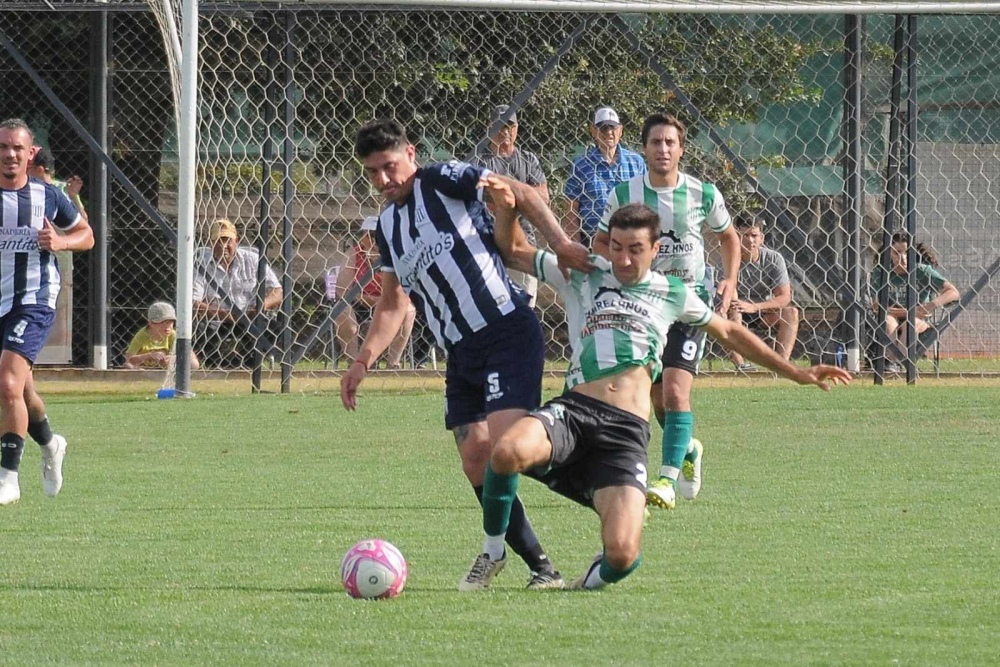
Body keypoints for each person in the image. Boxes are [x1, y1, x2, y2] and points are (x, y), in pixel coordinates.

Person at [462, 200, 850, 590]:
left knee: (622, 556)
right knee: (506, 451)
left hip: (625, 433)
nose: (624, 260)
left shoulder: (671, 291)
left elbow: (730, 333)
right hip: (575, 412)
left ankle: (589, 570)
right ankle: (494, 550)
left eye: (635, 250)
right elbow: (513, 249)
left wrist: (797, 372)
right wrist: (510, 210)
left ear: (655, 250)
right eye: (616, 248)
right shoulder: (583, 272)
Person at [340, 118, 591, 590]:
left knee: (507, 450)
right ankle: (542, 568)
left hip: (504, 331)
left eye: (389, 167)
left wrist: (560, 244)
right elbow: (394, 303)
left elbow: (523, 193)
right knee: (477, 459)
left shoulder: (444, 179)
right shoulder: (388, 226)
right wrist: (362, 361)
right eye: (372, 172)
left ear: (411, 154)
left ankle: (607, 492)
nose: (383, 180)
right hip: (461, 353)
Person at [593, 112, 740, 510]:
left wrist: (729, 280)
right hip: (643, 308)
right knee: (656, 400)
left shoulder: (702, 193)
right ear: (643, 148)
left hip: (689, 302)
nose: (663, 149)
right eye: (656, 142)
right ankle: (687, 447)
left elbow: (729, 237)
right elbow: (601, 240)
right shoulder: (625, 194)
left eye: (670, 143)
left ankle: (666, 480)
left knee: (676, 391)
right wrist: (621, 269)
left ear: (681, 149)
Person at [0, 118, 94, 506]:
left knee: (6, 384)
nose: (10, 155)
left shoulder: (47, 196)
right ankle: (51, 443)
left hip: (33, 299)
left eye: (17, 148)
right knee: (22, 389)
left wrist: (60, 240)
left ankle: (7, 477)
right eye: (4, 147)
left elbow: (86, 235)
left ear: (30, 152)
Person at [470, 105, 550, 307]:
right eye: (500, 125)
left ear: (517, 128)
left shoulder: (528, 160)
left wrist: (504, 196)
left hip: (523, 241)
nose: (505, 131)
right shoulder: (478, 160)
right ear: (490, 127)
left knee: (524, 308)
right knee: (490, 308)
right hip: (485, 243)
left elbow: (543, 197)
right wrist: (524, 196)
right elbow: (481, 200)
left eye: (509, 125)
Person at [193, 218, 283, 368]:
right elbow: (193, 302)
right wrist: (224, 314)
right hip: (216, 320)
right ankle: (215, 366)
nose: (224, 246)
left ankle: (250, 364)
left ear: (236, 241)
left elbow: (278, 291)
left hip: (250, 317)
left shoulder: (253, 259)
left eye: (228, 241)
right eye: (218, 241)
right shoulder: (199, 263)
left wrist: (261, 307)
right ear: (210, 243)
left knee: (276, 328)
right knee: (197, 330)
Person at [332, 216, 416, 369]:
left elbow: (405, 289)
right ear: (363, 236)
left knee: (409, 311)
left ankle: (393, 364)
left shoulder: (396, 255)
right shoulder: (353, 254)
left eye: (378, 235)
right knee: (342, 310)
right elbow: (342, 290)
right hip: (359, 303)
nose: (374, 239)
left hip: (390, 302)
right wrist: (365, 299)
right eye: (370, 235)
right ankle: (354, 362)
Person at [870, 231, 959, 372]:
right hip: (892, 316)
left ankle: (904, 365)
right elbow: (876, 306)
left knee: (909, 325)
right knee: (888, 322)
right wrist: (910, 311)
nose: (903, 258)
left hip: (919, 320)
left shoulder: (922, 271)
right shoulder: (881, 272)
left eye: (907, 253)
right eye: (897, 253)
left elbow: (953, 292)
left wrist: (931, 305)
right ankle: (891, 364)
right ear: (888, 254)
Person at [563, 106, 646, 247]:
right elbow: (571, 208)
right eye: (603, 128)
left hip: (630, 240)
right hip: (592, 241)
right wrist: (575, 246)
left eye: (613, 128)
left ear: (620, 130)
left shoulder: (636, 162)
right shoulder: (581, 165)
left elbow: (647, 201)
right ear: (593, 131)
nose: (609, 133)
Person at [726, 217, 800, 371]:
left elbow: (785, 296)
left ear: (762, 238)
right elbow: (727, 292)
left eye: (754, 235)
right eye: (745, 235)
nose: (750, 240)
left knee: (791, 313)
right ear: (737, 237)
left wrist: (754, 307)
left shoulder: (773, 259)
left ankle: (781, 366)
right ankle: (741, 365)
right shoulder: (728, 258)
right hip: (734, 311)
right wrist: (740, 306)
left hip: (762, 312)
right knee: (731, 311)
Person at [124, 301, 200, 370]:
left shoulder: (173, 335)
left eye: (170, 322)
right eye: (163, 322)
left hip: (165, 373)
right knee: (128, 366)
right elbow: (129, 360)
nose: (168, 327)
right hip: (143, 370)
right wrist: (149, 356)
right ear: (151, 323)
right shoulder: (142, 335)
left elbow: (195, 364)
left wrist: (174, 359)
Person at [28, 146, 86, 216]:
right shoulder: (25, 189)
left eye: (27, 168)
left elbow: (83, 220)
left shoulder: (65, 188)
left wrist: (73, 196)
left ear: (39, 170)